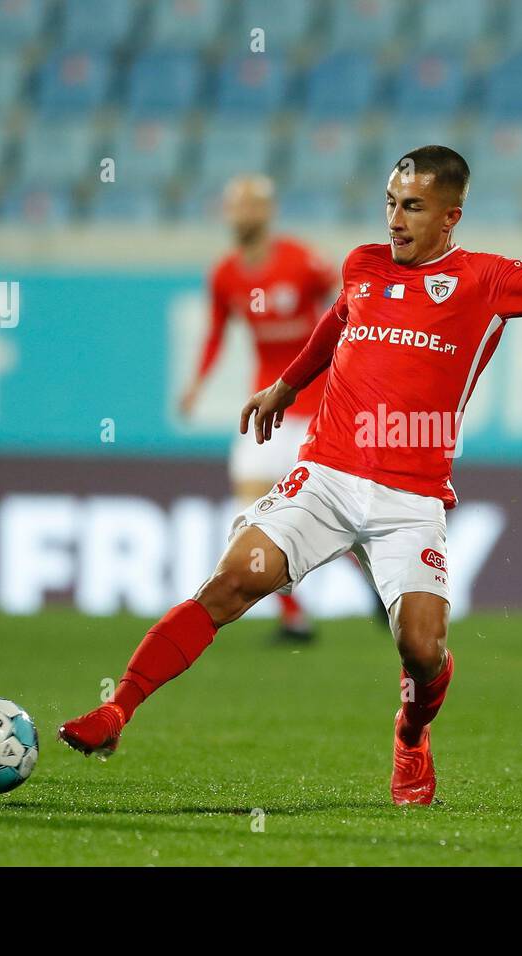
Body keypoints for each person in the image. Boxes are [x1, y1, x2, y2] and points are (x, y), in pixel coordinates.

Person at [61, 145, 522, 805]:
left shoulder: (488, 279)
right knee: (233, 579)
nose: (395, 219)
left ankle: (411, 735)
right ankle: (115, 712)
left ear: (451, 216)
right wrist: (285, 385)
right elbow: (336, 324)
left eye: (412, 207)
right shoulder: (363, 265)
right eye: (390, 203)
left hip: (409, 495)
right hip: (327, 475)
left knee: (422, 648)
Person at [179, 175, 337, 642]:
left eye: (250, 205)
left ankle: (369, 582)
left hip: (315, 402)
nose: (241, 214)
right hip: (265, 403)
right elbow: (215, 334)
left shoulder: (302, 261)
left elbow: (350, 304)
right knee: (250, 508)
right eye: (234, 205)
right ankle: (294, 616)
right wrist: (196, 386)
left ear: (266, 212)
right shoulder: (225, 274)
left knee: (320, 508)